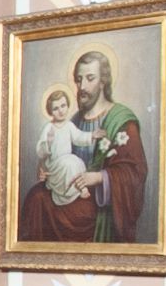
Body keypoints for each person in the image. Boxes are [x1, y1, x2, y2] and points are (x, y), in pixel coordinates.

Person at [15, 47, 149, 246]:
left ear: (103, 81)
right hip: (67, 191)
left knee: (44, 203)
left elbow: (135, 174)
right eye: (79, 80)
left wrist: (99, 177)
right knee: (36, 197)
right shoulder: (74, 121)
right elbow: (56, 155)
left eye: (90, 78)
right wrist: (45, 170)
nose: (82, 86)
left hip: (97, 201)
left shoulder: (121, 121)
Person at [35, 87, 90, 210]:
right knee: (69, 163)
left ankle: (79, 188)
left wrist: (92, 136)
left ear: (68, 106)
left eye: (63, 106)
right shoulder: (49, 127)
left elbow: (79, 137)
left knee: (75, 162)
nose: (60, 111)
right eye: (56, 108)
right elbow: (40, 152)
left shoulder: (69, 125)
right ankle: (72, 191)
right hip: (54, 165)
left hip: (67, 160)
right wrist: (48, 142)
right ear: (50, 111)